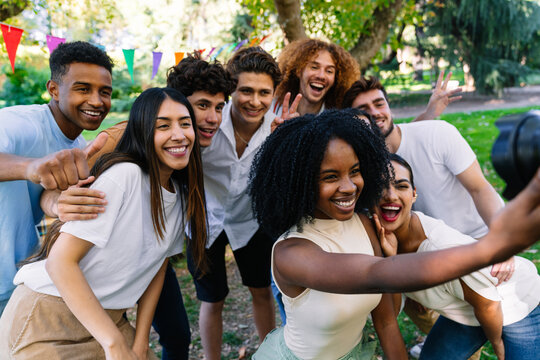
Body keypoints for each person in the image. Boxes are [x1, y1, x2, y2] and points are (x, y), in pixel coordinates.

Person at [249, 109, 540, 359]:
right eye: (330, 176)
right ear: (298, 182)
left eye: (355, 171)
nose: (350, 187)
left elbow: (387, 322)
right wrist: (493, 246)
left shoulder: (365, 224)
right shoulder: (291, 253)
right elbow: (374, 274)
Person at [39, 52, 235, 360]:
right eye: (201, 106)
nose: (212, 117)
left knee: (176, 334)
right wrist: (56, 203)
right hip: (94, 263)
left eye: (219, 107)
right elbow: (56, 192)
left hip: (155, 246)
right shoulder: (120, 140)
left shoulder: (213, 136)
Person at [0, 87, 208, 359]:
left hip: (108, 318)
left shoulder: (181, 195)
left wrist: (141, 339)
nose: (179, 135)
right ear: (143, 133)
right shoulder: (125, 177)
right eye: (163, 126)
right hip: (47, 317)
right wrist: (113, 342)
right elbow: (60, 262)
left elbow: (158, 265)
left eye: (185, 124)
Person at [342, 76, 510, 356]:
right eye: (364, 110)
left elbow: (481, 189)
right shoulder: (365, 167)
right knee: (431, 314)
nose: (374, 113)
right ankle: (452, 337)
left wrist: (501, 243)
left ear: (388, 105)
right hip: (423, 256)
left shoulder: (436, 134)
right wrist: (411, 288)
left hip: (475, 244)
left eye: (379, 103)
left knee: (485, 312)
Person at [372, 154, 540, 360]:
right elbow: (393, 310)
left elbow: (488, 305)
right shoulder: (382, 238)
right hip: (468, 308)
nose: (390, 195)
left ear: (414, 194)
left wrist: (497, 344)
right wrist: (391, 262)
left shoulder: (438, 246)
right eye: (380, 185)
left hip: (514, 301)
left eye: (401, 186)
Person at [0, 41, 113, 316]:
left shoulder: (81, 147)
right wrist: (31, 166)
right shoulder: (16, 123)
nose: (97, 101)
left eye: (105, 92)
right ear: (53, 89)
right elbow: (36, 171)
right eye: (83, 89)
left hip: (17, 280)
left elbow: (47, 198)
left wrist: (58, 204)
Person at [186, 46, 281, 360]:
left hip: (251, 220)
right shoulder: (208, 120)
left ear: (274, 93)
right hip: (203, 218)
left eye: (264, 92)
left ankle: (268, 353)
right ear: (231, 90)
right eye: (246, 91)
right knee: (212, 299)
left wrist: (287, 139)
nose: (255, 101)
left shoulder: (278, 128)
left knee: (261, 292)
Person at [271, 38, 360, 127]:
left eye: (329, 71)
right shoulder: (272, 107)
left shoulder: (339, 122)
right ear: (298, 70)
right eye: (314, 67)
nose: (321, 76)